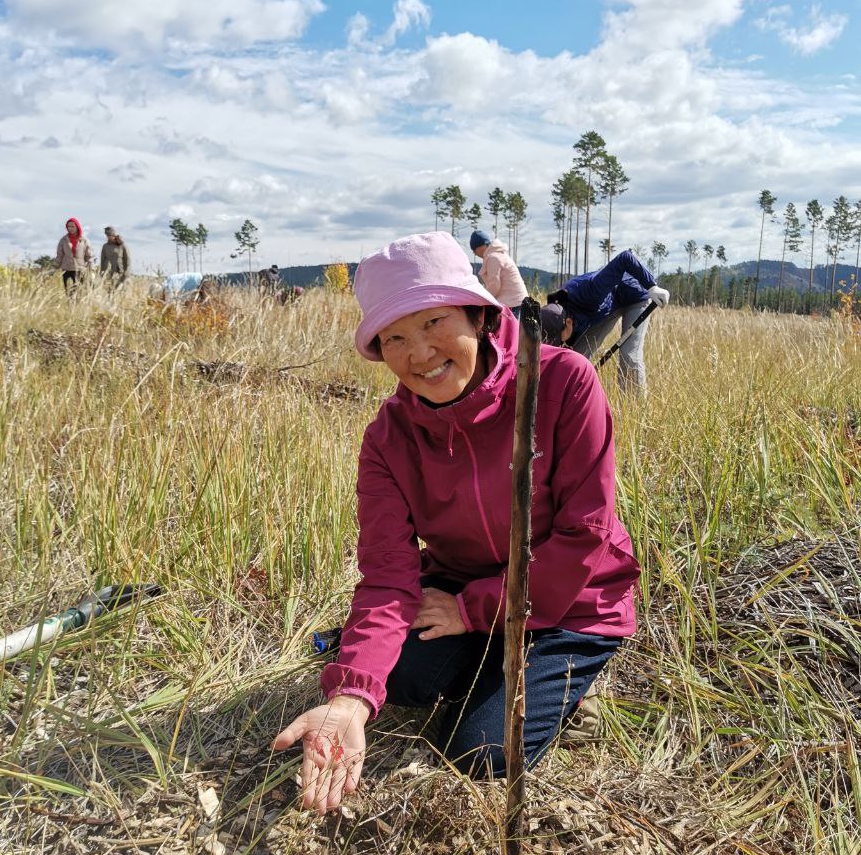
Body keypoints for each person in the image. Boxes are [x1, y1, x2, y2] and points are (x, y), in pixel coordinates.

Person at [272, 232, 640, 816]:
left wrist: (473, 610)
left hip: (572, 606)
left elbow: (584, 535)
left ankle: (578, 684)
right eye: (395, 336)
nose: (418, 353)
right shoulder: (388, 438)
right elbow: (388, 576)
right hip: (461, 596)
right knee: (394, 680)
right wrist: (350, 698)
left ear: (478, 314)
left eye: (434, 322)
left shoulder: (563, 383)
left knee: (481, 752)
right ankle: (490, 661)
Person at [546, 250, 669, 391]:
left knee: (629, 356)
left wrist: (652, 286)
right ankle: (573, 398)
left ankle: (635, 406)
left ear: (567, 323)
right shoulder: (554, 313)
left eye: (557, 340)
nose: (558, 344)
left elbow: (625, 258)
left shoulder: (590, 290)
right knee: (576, 356)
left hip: (635, 297)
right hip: (607, 306)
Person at [470, 228, 527, 315]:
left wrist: (482, 302)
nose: (474, 253)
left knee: (506, 328)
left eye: (474, 249)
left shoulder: (493, 258)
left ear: (482, 246)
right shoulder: (499, 254)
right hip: (518, 302)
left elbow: (494, 285)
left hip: (513, 304)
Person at [55, 217, 94, 292]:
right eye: (68, 226)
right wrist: (54, 267)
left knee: (80, 292)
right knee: (69, 293)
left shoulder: (84, 240)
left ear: (77, 227)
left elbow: (89, 257)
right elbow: (60, 255)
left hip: (80, 270)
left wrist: (91, 270)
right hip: (67, 270)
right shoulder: (63, 240)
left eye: (72, 226)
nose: (70, 228)